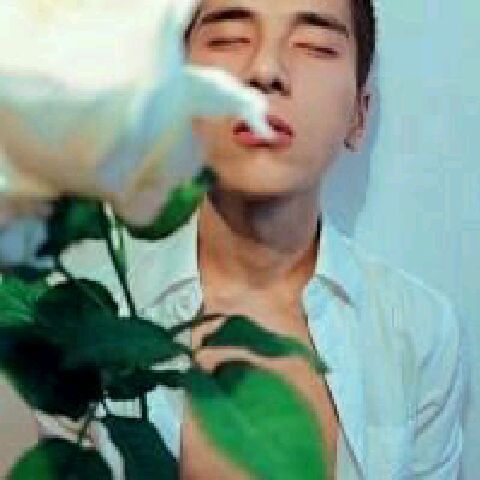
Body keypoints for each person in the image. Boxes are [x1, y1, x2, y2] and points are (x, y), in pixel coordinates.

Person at [35, 0, 465, 478]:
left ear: (359, 116)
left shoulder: (418, 333)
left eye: (315, 46)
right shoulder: (83, 318)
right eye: (229, 39)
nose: (265, 70)